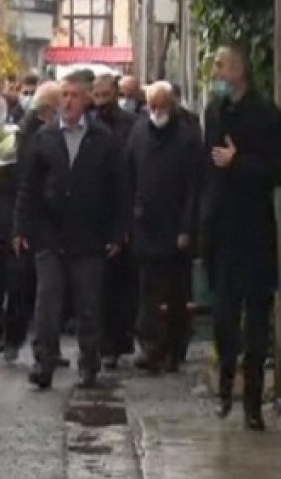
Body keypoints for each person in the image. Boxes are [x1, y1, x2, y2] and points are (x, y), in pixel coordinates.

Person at [14, 72, 125, 390]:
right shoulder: (45, 137)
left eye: (74, 95)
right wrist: (21, 228)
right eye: (63, 95)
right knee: (47, 303)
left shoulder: (103, 139)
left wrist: (118, 232)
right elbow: (29, 186)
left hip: (89, 236)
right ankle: (43, 362)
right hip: (50, 234)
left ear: (86, 99)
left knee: (88, 305)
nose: (67, 101)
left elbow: (118, 189)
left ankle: (89, 363)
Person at [202, 44, 281, 431]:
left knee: (255, 322)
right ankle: (224, 389)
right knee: (224, 317)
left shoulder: (266, 115)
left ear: (239, 71)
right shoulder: (214, 112)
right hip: (222, 228)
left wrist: (239, 163)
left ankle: (252, 403)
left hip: (254, 228)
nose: (215, 71)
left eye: (220, 65)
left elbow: (274, 170)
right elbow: (206, 168)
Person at [127, 81, 201, 374]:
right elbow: (129, 173)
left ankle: (174, 348)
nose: (156, 112)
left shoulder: (186, 137)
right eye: (151, 106)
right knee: (148, 291)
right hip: (146, 224)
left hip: (175, 226)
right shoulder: (139, 133)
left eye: (161, 106)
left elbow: (194, 187)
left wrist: (186, 227)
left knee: (176, 293)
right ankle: (150, 347)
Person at [0, 81, 61, 363]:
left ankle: (43, 345)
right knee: (23, 282)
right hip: (29, 216)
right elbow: (25, 179)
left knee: (43, 286)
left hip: (39, 218)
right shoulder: (33, 133)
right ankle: (14, 339)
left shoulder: (34, 129)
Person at [92, 74, 139, 369]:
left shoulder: (128, 125)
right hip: (95, 212)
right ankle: (101, 342)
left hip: (119, 207)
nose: (101, 101)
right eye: (96, 95)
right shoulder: (87, 125)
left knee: (119, 284)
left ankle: (116, 341)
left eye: (105, 94)